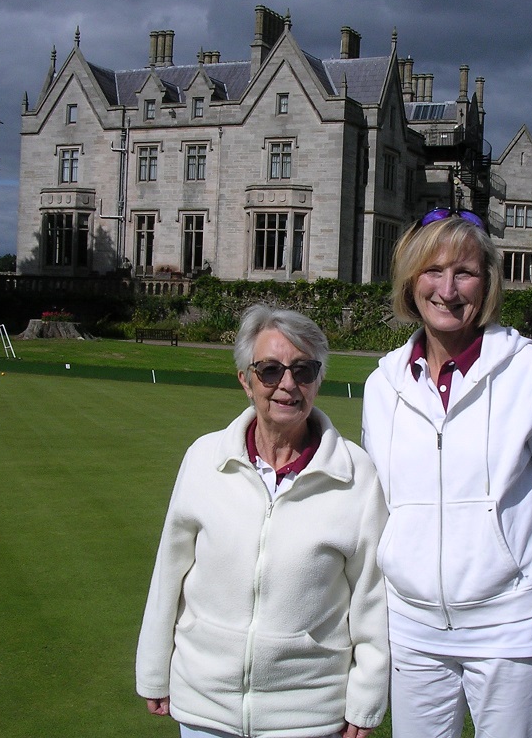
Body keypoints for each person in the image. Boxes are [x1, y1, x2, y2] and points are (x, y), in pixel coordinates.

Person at [361, 208, 532, 738]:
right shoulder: (382, 384)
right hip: (412, 629)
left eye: (464, 272)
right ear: (411, 282)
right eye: (432, 271)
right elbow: (379, 509)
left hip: (511, 626)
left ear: (486, 283)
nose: (447, 289)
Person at [137, 304, 389, 738]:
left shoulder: (356, 474)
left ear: (319, 380)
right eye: (270, 370)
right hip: (204, 707)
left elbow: (372, 597)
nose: (287, 384)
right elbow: (169, 573)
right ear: (246, 380)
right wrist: (154, 671)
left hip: (307, 715)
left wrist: (366, 698)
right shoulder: (204, 458)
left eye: (303, 370)